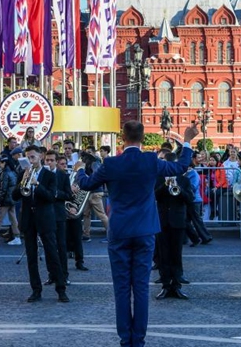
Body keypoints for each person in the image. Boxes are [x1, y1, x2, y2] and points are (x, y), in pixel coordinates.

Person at [73, 121, 195, 347]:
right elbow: (180, 167)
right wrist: (186, 141)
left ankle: (124, 339)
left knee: (121, 288)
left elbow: (88, 184)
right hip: (145, 230)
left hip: (119, 229)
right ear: (142, 137)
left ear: (122, 137)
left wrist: (79, 170)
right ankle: (138, 340)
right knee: (140, 287)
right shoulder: (150, 160)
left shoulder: (111, 163)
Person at [12, 146, 68, 303]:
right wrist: (22, 182)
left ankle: (61, 289)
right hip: (28, 218)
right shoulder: (22, 173)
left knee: (52, 253)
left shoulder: (50, 175)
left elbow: (51, 196)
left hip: (45, 217)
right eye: (28, 157)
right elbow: (15, 196)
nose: (30, 160)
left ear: (40, 157)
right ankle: (36, 289)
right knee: (31, 256)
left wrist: (37, 184)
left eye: (33, 157)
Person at [154, 152, 194, 300]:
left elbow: (190, 199)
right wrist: (165, 186)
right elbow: (154, 196)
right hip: (162, 221)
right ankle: (165, 286)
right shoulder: (159, 179)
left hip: (178, 221)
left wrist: (179, 189)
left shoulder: (183, 180)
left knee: (177, 255)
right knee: (163, 255)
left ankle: (177, 285)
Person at [44, 150, 73, 285]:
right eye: (47, 160)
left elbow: (68, 195)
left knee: (61, 246)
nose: (49, 162)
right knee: (48, 247)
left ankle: (64, 275)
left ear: (56, 161)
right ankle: (52, 274)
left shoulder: (62, 175)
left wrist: (56, 193)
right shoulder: (42, 175)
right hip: (45, 215)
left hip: (59, 214)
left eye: (51, 160)